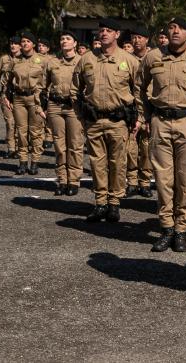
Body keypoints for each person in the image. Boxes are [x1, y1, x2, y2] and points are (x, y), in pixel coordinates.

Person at [141, 17, 186, 253]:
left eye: (180, 28)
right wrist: (146, 116)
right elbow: (140, 88)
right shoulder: (153, 57)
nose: (175, 31)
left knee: (185, 178)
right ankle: (167, 227)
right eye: (171, 28)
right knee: (163, 179)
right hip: (159, 121)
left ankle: (182, 229)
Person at [72, 18, 142, 224]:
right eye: (101, 30)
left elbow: (139, 92)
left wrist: (139, 118)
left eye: (109, 30)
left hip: (118, 121)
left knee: (118, 163)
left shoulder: (129, 60)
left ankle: (114, 203)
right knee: (97, 164)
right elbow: (75, 90)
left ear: (117, 35)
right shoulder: (87, 59)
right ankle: (100, 203)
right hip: (94, 121)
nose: (103, 34)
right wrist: (81, 117)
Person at [0, 31, 49, 175]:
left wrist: (46, 100)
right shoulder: (15, 61)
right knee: (21, 131)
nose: (24, 43)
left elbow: (50, 81)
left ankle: (34, 162)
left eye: (28, 41)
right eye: (23, 41)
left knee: (36, 132)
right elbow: (7, 81)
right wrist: (6, 96)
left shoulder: (43, 60)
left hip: (36, 99)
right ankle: (22, 162)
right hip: (19, 99)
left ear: (34, 44)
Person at [45, 31, 84, 196]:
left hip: (74, 107)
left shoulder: (83, 61)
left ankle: (74, 180)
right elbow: (42, 85)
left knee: (75, 145)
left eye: (68, 39)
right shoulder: (52, 62)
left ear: (75, 43)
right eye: (62, 39)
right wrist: (41, 107)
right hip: (55, 106)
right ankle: (62, 179)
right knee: (60, 146)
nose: (64, 41)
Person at [125, 25, 153, 198]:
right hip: (131, 111)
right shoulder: (125, 59)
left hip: (148, 110)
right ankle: (132, 182)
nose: (136, 41)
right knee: (130, 149)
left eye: (140, 37)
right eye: (134, 38)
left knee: (147, 150)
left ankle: (145, 183)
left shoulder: (153, 59)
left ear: (147, 40)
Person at [0, 37, 20, 158]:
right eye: (11, 43)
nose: (13, 46)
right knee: (10, 122)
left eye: (15, 44)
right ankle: (11, 148)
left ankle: (20, 148)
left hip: (19, 96)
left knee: (20, 123)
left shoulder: (25, 59)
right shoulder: (4, 59)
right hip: (4, 94)